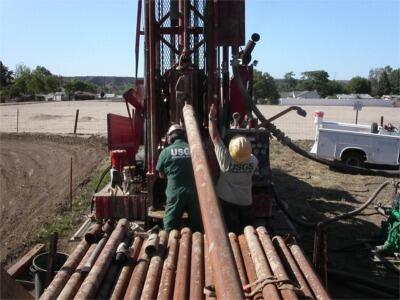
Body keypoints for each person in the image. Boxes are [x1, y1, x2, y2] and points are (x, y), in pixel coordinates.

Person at [208, 104, 258, 233]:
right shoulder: (253, 161)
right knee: (247, 232)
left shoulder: (225, 161)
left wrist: (211, 118)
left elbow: (215, 137)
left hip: (227, 202)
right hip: (246, 203)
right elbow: (246, 154)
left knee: (230, 232)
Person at [156, 124, 202, 232]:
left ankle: (170, 244)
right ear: (184, 136)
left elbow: (161, 175)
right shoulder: (195, 150)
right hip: (195, 193)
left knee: (170, 226)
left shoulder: (165, 152)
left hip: (175, 192)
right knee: (197, 226)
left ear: (170, 137)